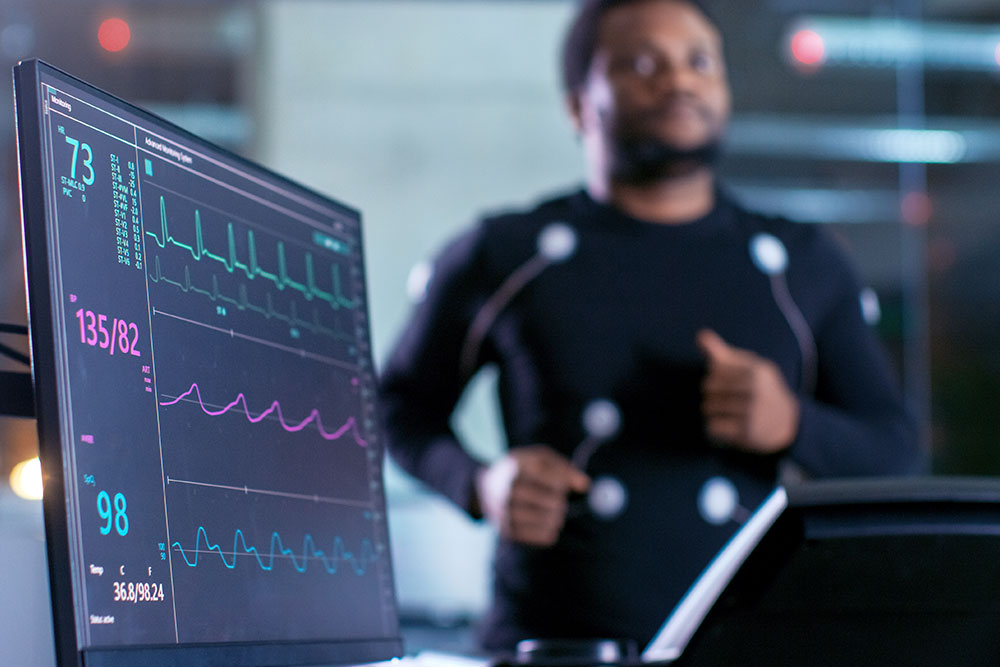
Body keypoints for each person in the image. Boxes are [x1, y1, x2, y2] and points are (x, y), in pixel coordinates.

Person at [378, 0, 924, 650]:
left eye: (699, 62)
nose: (679, 80)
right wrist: (480, 483)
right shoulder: (503, 252)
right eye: (642, 63)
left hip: (746, 644)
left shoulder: (804, 262)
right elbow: (394, 406)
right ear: (579, 105)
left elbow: (895, 446)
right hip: (547, 645)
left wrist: (793, 424)